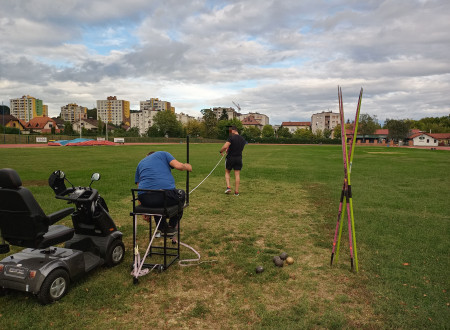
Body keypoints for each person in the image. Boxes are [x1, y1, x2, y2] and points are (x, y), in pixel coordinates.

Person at [135, 151, 192, 235]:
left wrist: (143, 209)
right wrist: (187, 166)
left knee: (157, 203)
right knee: (181, 194)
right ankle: (171, 226)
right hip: (162, 196)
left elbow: (139, 188)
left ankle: (162, 228)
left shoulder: (140, 163)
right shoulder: (162, 154)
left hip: (144, 199)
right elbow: (178, 166)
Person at [219, 126, 246, 196]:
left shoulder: (231, 137)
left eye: (230, 131)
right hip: (239, 158)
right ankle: (236, 192)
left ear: (234, 130)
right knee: (237, 174)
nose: (230, 133)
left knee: (227, 172)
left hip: (230, 158)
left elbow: (225, 146)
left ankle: (228, 187)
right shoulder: (243, 139)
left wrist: (221, 151)